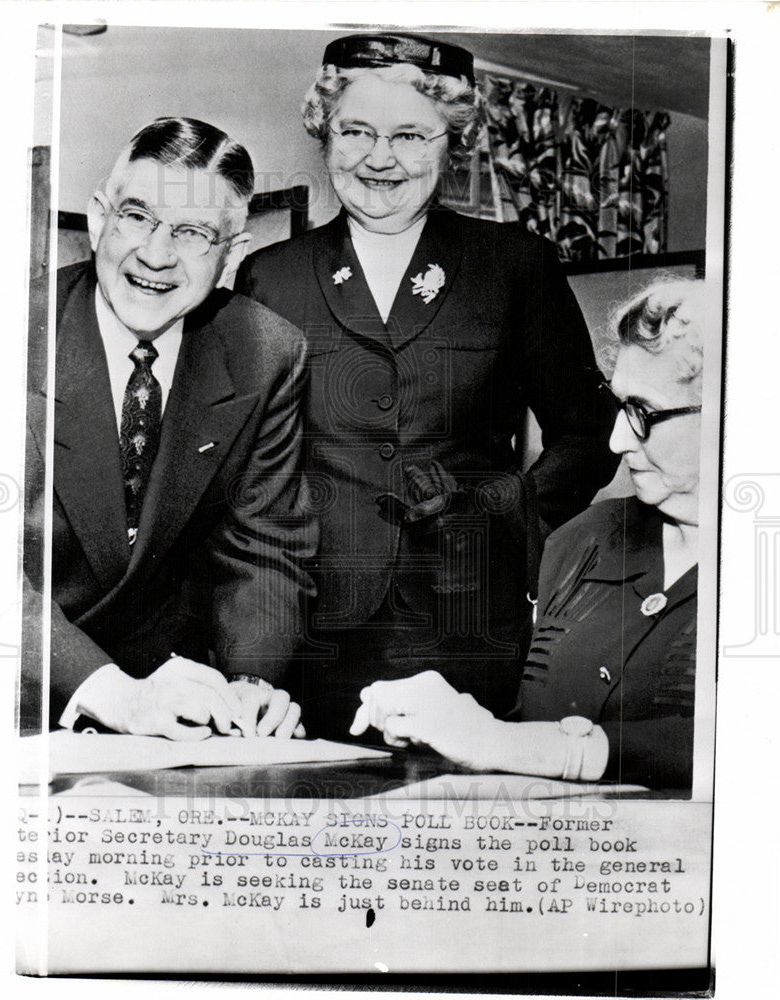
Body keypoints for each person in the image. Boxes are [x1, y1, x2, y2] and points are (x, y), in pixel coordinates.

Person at [236, 33, 617, 738]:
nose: (381, 158)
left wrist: (513, 511)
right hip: (312, 627)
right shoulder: (270, 276)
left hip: (467, 619)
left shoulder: (514, 265)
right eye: (356, 131)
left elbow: (592, 432)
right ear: (325, 133)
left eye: (411, 135)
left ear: (453, 143)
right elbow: (253, 472)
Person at [24, 117, 316, 740]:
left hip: (170, 719)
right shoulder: (4, 332)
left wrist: (250, 686)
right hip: (13, 693)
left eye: (192, 233)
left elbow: (265, 547)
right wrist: (113, 695)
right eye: (137, 217)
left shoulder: (266, 352)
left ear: (232, 254)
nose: (157, 255)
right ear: (99, 217)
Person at [350, 278, 706, 790]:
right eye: (620, 407)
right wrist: (454, 717)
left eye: (643, 414)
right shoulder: (582, 540)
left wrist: (524, 747)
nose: (617, 438)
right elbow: (523, 725)